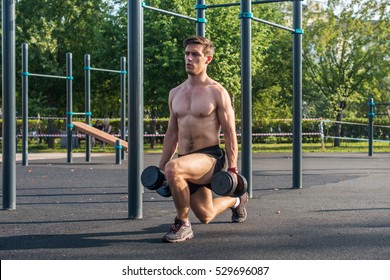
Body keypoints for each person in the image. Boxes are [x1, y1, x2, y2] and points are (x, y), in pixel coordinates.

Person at [158, 36, 248, 243]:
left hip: (209, 157)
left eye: (195, 54)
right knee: (206, 215)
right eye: (187, 53)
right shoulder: (175, 93)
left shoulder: (217, 92)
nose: (189, 58)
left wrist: (233, 168)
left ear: (208, 59)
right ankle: (236, 201)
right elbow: (172, 133)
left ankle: (183, 224)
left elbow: (230, 132)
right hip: (185, 160)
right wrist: (162, 166)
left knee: (174, 168)